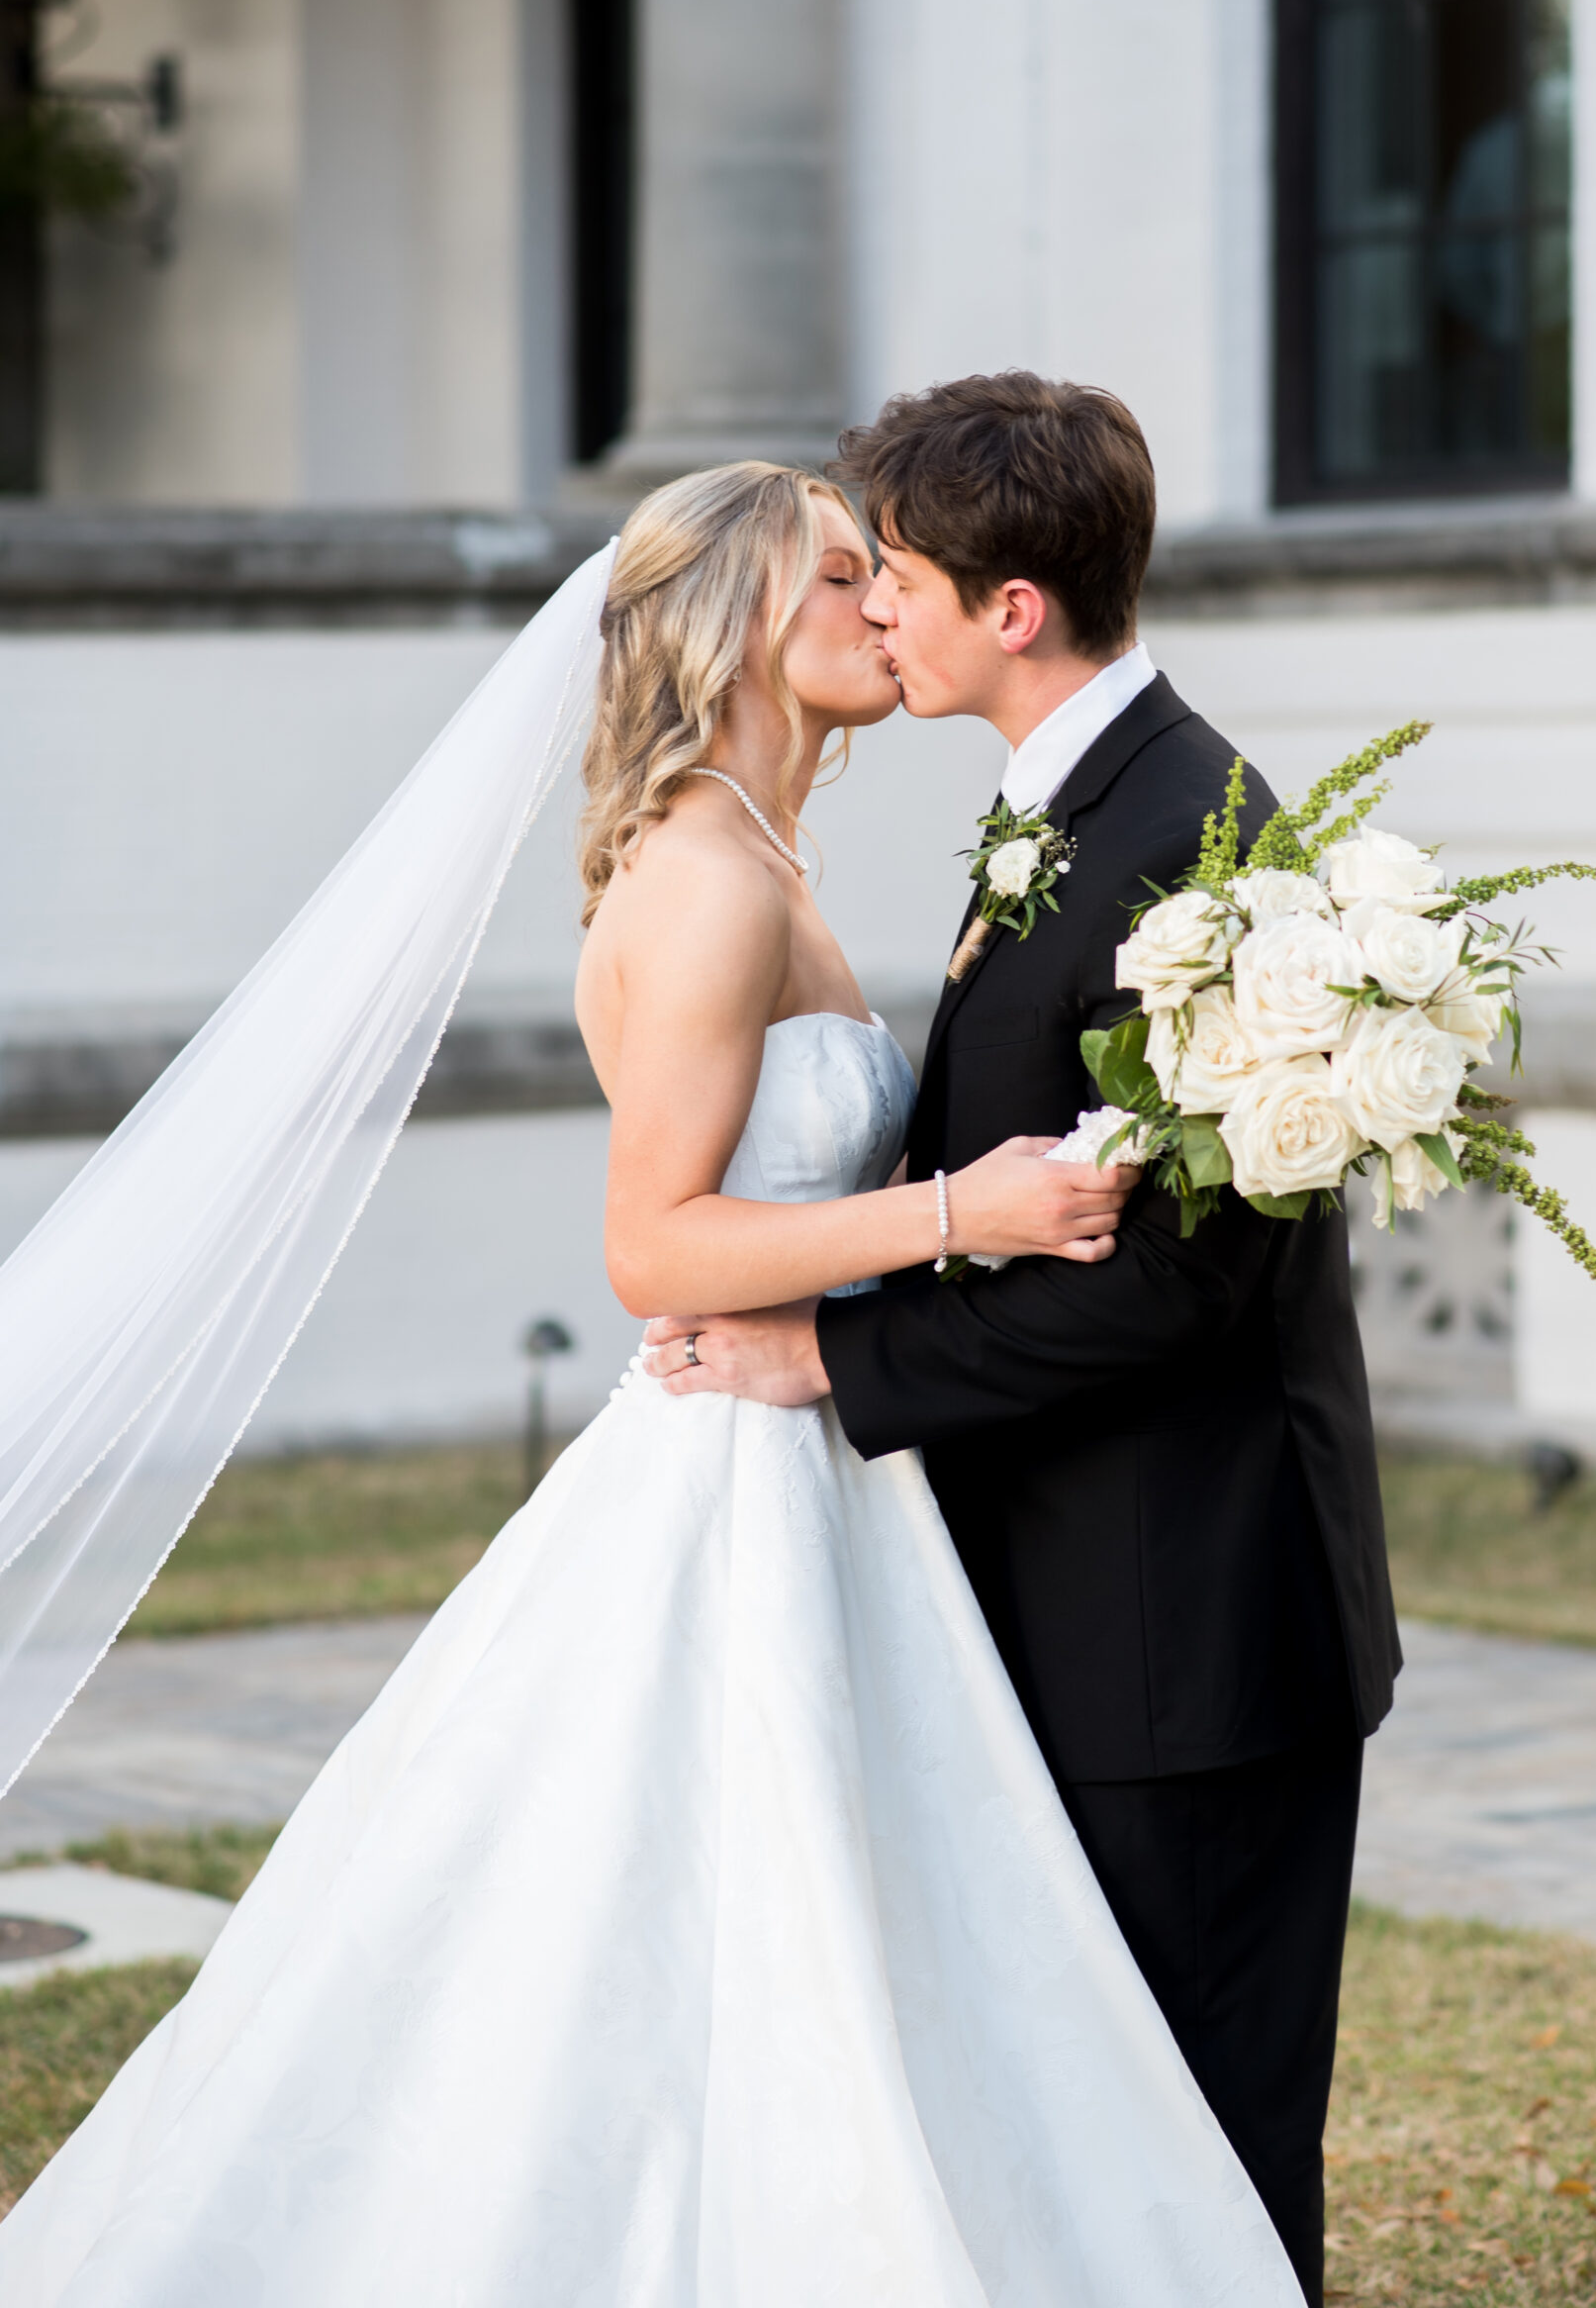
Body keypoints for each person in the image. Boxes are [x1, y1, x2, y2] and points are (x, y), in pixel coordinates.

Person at [0, 458, 1303, 2303]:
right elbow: (655, 1245)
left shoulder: (773, 854)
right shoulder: (702, 875)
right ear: (730, 628)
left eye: (886, 573)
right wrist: (965, 1207)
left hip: (829, 1461)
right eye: (841, 577)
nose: (881, 602)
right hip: (724, 1492)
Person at [642, 375, 1401, 2306]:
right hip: (1074, 1591)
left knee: (1204, 2162)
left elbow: (1178, 1280)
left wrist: (839, 1358)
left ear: (1013, 610)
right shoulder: (1063, 809)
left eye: (890, 570)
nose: (870, 604)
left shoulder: (1195, 839)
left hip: (1192, 1620)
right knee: (1088, 2140)